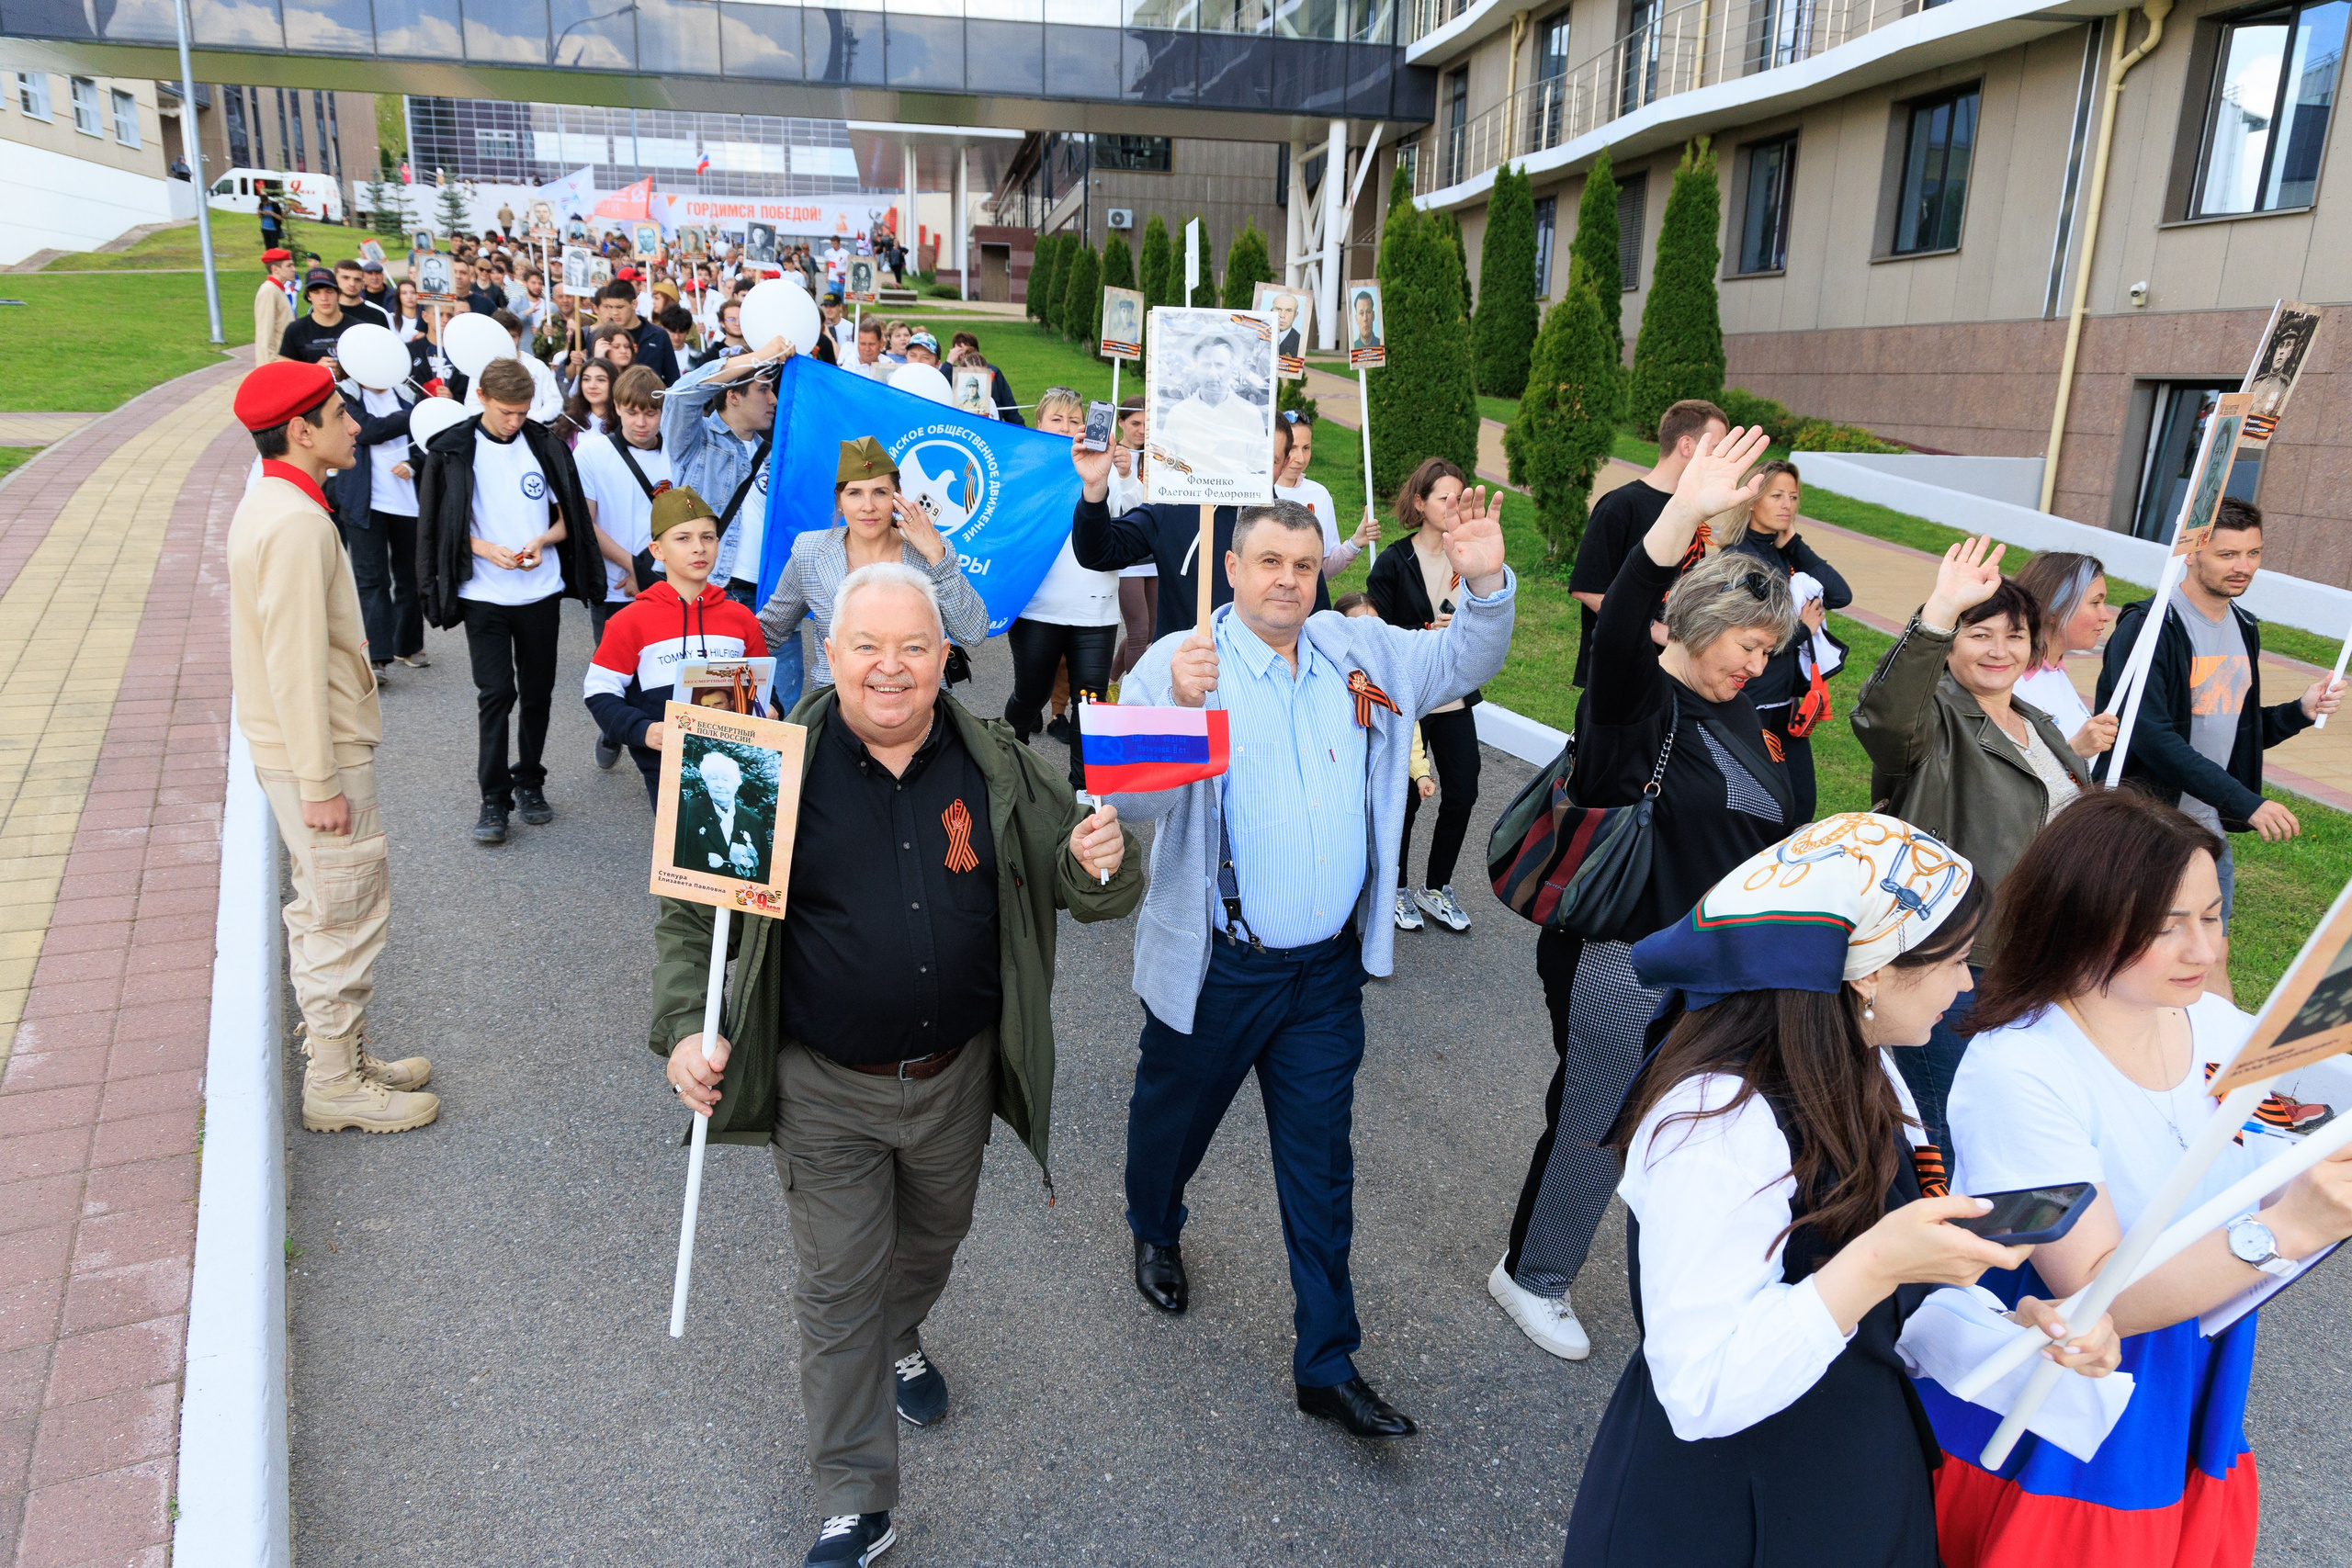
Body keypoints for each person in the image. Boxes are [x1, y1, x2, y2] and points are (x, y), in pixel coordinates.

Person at [659, 562, 1138, 1568]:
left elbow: (1082, 881)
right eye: (867, 646)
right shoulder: (757, 765)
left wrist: (1103, 858)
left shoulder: (998, 761)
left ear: (944, 660)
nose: (890, 668)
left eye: (913, 648)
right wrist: (681, 1032)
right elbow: (689, 918)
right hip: (821, 1090)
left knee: (928, 1246)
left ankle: (904, 1328)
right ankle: (855, 1498)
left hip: (955, 1079)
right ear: (828, 652)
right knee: (836, 1291)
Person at [1560, 814, 2122, 1567]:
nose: (1966, 983)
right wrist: (1877, 1263)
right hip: (1726, 1514)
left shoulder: (1868, 1064)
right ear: (1871, 970)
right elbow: (1701, 1386)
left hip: (1846, 1482)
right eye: (1955, 959)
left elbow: (1890, 1306)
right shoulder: (1714, 1119)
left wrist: (2021, 1341)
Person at [1108, 491, 1516, 1436]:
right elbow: (1127, 809)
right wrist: (1175, 709)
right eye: (1268, 563)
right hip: (1219, 967)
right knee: (1171, 1126)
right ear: (1234, 568)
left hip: (1323, 979)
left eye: (1302, 564)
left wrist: (1485, 581)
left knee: (1321, 1166)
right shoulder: (1180, 662)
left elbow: (1464, 657)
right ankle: (1155, 1225)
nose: (1287, 580)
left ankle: (1325, 1362)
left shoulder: (1357, 650)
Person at [1919, 788, 2352, 1564]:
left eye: (2212, 916)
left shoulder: (2222, 1031)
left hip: (2199, 1372)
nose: (2205, 951)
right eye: (2166, 927)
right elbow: (2089, 1291)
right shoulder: (2021, 1065)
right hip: (2071, 1388)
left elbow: (2301, 1141)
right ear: (2081, 916)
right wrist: (2283, 1230)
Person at [1493, 425, 1794, 1362]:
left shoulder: (1738, 706)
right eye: (1747, 644)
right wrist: (1680, 515)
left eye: (1768, 649)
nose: (1757, 664)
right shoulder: (1637, 704)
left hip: (1716, 965)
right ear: (1699, 624)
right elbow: (1623, 619)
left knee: (1689, 1133)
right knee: (1601, 1119)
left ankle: (1679, 1291)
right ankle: (1532, 1277)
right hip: (1621, 960)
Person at [226, 360, 437, 1134]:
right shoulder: (295, 522)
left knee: (331, 905)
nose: (355, 425)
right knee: (344, 912)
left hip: (301, 747)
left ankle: (341, 1053)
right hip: (316, 753)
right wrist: (320, 779)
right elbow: (294, 663)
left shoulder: (279, 502)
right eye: (338, 414)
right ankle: (335, 1083)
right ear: (299, 430)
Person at [1853, 536, 2091, 1157]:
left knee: (2002, 1125)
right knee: (1940, 1133)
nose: (1998, 650)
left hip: (2030, 961)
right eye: (1978, 633)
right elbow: (1884, 718)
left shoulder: (2038, 723)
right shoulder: (1936, 720)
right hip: (1949, 959)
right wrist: (1937, 612)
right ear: (1951, 644)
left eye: (2014, 635)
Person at [2095, 498, 2340, 933]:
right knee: (2129, 961)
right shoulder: (2151, 627)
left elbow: (2234, 728)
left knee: (2211, 956)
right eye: (2226, 554)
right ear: (2191, 553)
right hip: (2145, 830)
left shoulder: (2244, 626)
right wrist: (2246, 803)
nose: (2243, 566)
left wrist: (2299, 711)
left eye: (2253, 553)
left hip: (2206, 833)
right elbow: (2150, 737)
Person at [416, 357, 602, 846]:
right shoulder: (452, 450)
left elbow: (570, 522)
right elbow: (438, 530)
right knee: (496, 692)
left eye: (521, 412)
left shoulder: (545, 446)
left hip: (538, 592)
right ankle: (493, 796)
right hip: (483, 593)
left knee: (538, 691)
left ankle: (530, 782)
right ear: (480, 398)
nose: (514, 422)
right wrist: (484, 549)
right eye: (505, 412)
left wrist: (542, 542)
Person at [759, 437, 989, 691]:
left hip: (916, 699)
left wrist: (936, 554)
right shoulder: (810, 551)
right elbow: (770, 630)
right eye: (855, 493)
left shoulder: (930, 548)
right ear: (839, 500)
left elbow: (973, 632)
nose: (868, 507)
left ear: (897, 498)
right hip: (838, 703)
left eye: (880, 492)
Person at [584, 487, 768, 803]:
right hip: (665, 765)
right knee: (680, 851)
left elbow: (763, 684)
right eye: (683, 538)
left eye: (708, 537)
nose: (699, 548)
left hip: (737, 763)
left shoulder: (741, 618)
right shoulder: (630, 621)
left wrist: (770, 707)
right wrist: (643, 730)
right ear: (657, 550)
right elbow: (600, 692)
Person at [1367, 454, 1487, 934]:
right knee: (1407, 798)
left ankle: (1436, 887)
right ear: (1419, 503)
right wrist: (1423, 630)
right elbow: (1377, 636)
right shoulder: (1394, 563)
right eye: (1444, 498)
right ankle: (1393, 887)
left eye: (1460, 496)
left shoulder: (1473, 556)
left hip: (1454, 694)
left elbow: (1488, 617)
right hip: (1410, 697)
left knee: (1464, 790)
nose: (1454, 504)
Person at [1069, 424, 1332, 640]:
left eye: (1269, 461)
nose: (1254, 471)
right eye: (1247, 459)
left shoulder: (1296, 528)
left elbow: (1318, 619)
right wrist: (1094, 488)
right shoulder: (1175, 507)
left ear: (1285, 463)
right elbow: (1098, 553)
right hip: (1185, 677)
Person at [663, 334, 800, 705]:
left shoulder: (779, 452)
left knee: (783, 710)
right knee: (715, 709)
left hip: (775, 599)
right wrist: (758, 356)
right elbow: (682, 395)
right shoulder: (696, 440)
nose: (773, 399)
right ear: (733, 394)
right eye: (763, 389)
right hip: (717, 591)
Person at [1718, 458, 1851, 821]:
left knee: (1801, 806)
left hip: (1788, 705)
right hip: (1751, 703)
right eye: (1776, 495)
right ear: (1752, 500)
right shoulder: (1739, 557)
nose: (1787, 505)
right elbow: (1749, 634)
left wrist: (1795, 544)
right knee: (1758, 808)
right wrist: (1802, 630)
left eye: (1792, 497)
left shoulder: (1783, 554)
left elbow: (1840, 595)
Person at [1001, 390, 1123, 787]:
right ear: (1039, 423)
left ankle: (1082, 794)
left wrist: (1124, 473)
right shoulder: (1023, 465)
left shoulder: (1105, 465)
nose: (1068, 427)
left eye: (1075, 420)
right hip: (1038, 607)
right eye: (1057, 419)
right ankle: (1010, 769)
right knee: (1030, 697)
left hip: (1094, 610)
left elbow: (1126, 517)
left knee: (1091, 708)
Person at [1567, 399, 1728, 686]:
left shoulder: (1690, 507)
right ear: (1687, 446)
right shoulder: (1620, 506)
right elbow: (1587, 589)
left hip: (1675, 668)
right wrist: (1653, 629)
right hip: (1619, 669)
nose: (1720, 460)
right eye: (1715, 449)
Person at [572, 363, 673, 674]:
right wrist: (636, 570)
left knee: (664, 683)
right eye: (631, 412)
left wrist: (648, 577)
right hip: (615, 587)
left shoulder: (678, 452)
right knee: (615, 680)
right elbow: (587, 524)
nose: (641, 423)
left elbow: (685, 523)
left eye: (650, 413)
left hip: (669, 585)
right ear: (616, 407)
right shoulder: (591, 453)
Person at [330, 362, 424, 681]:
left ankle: (408, 645)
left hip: (408, 501)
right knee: (372, 578)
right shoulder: (345, 395)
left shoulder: (410, 393)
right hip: (364, 501)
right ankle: (377, 658)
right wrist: (413, 416)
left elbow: (434, 437)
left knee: (410, 576)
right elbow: (368, 429)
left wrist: (413, 462)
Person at [2011, 550, 2120, 761]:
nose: (2106, 616)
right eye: (2095, 603)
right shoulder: (2012, 683)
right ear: (2055, 611)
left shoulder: (2054, 672)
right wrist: (2074, 751)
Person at [1274, 411, 1376, 579]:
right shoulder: (1256, 495)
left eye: (1306, 448)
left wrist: (1355, 543)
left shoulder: (1319, 495)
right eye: (1292, 448)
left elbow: (1323, 571)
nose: (1300, 458)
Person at [1159, 333, 1267, 465]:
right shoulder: (1179, 413)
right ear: (1196, 368)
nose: (1212, 373)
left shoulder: (1249, 413)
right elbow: (1166, 466)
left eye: (1219, 365)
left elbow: (1259, 467)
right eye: (1205, 365)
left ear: (1231, 368)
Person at [593, 277, 681, 383]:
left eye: (620, 307)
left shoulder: (658, 336)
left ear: (634, 304)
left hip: (651, 398)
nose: (614, 312)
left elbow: (674, 380)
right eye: (610, 307)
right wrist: (598, 360)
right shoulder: (599, 337)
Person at [279, 269, 358, 369]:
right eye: (316, 292)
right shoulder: (295, 330)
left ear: (338, 294)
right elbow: (285, 371)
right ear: (309, 296)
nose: (324, 298)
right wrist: (316, 370)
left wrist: (345, 372)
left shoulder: (356, 328)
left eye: (329, 291)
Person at [557, 358, 615, 446]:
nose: (592, 386)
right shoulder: (569, 424)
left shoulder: (624, 424)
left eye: (601, 380)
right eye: (586, 379)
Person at [254, 248, 296, 366]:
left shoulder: (277, 290)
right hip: (275, 361)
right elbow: (265, 331)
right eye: (289, 266)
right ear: (275, 269)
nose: (294, 269)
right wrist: (269, 364)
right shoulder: (269, 291)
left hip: (283, 358)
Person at [334, 258, 392, 329]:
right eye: (346, 278)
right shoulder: (325, 311)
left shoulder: (378, 314)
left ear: (363, 283)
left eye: (357, 279)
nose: (352, 284)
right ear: (334, 280)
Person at [1350, 288, 1380, 352]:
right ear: (1356, 319)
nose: (1365, 319)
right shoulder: (1354, 347)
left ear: (1373, 315)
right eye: (1361, 313)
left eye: (1368, 312)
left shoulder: (1380, 345)